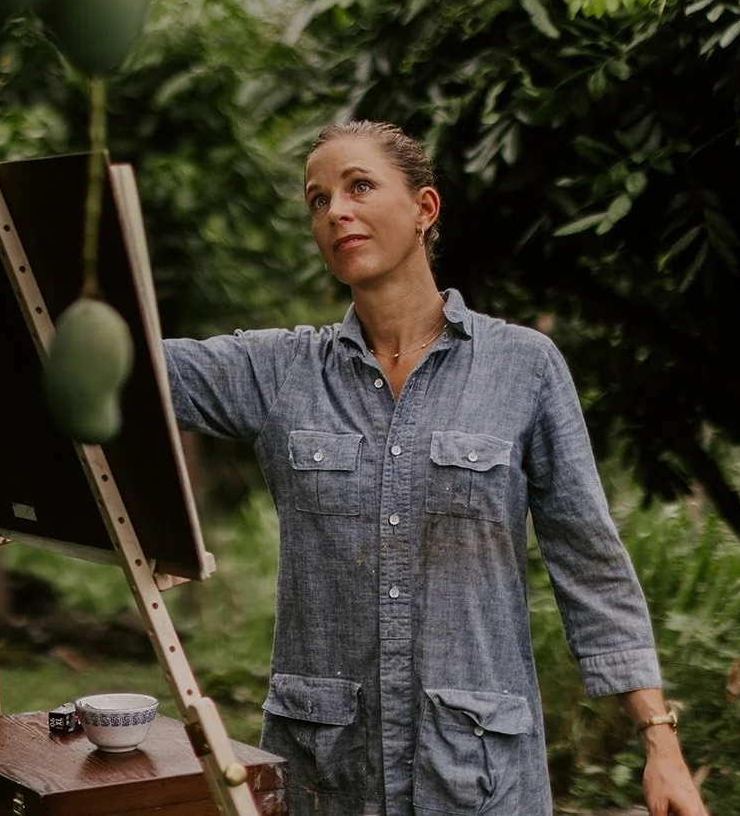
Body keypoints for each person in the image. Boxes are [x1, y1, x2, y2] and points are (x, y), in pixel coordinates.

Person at [162, 120, 709, 816]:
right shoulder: (276, 371)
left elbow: (588, 556)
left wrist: (660, 742)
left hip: (476, 776)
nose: (336, 210)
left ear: (425, 208)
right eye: (317, 198)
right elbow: (127, 364)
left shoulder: (524, 367)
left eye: (360, 185)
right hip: (327, 775)